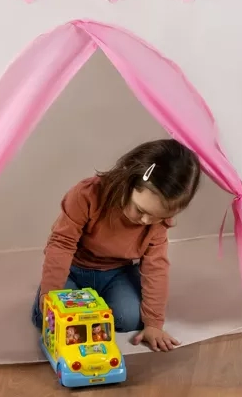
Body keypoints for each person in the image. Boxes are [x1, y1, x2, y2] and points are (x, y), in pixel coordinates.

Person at [31, 139, 201, 352]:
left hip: (115, 273)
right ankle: (63, 299)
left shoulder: (155, 224)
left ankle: (96, 302)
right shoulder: (87, 195)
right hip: (73, 269)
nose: (146, 221)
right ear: (127, 183)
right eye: (140, 210)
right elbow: (61, 245)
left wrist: (153, 324)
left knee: (128, 319)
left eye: (157, 217)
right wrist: (50, 297)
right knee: (51, 319)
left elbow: (155, 267)